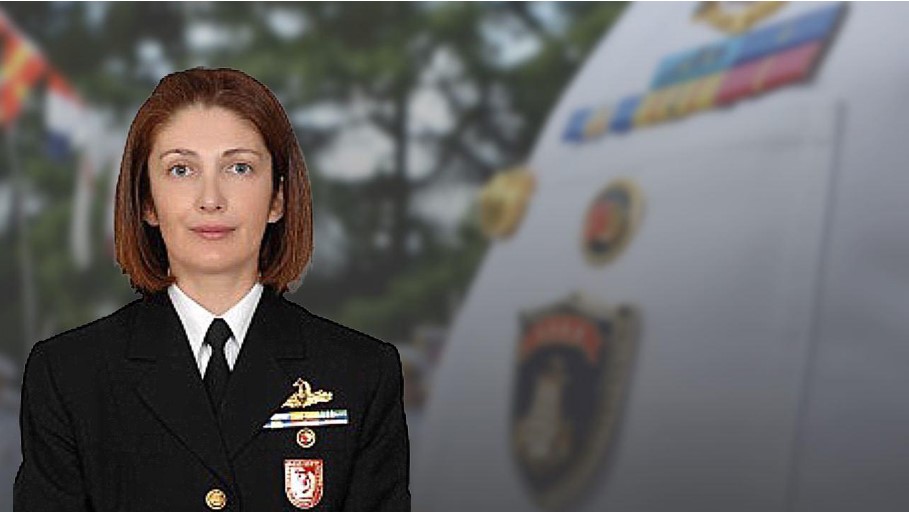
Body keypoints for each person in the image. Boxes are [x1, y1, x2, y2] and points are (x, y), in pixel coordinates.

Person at [14, 67, 410, 511]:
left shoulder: (361, 373)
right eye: (181, 169)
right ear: (147, 201)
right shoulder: (70, 376)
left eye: (239, 168)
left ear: (277, 198)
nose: (211, 199)